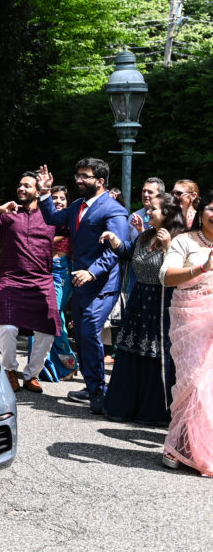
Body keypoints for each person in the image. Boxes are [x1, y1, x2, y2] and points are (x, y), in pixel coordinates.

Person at [39, 159, 130, 414]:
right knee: (80, 337)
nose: (78, 180)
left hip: (101, 285)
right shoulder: (77, 205)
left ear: (100, 181)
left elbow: (116, 251)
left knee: (90, 332)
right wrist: (45, 193)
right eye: (77, 175)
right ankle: (91, 387)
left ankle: (100, 391)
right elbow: (52, 218)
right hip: (79, 283)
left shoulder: (114, 211)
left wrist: (92, 272)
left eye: (85, 177)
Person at [0, 172, 59, 392]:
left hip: (42, 281)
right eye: (20, 185)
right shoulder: (9, 214)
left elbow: (76, 228)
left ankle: (31, 375)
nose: (21, 188)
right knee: (7, 328)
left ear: (38, 191)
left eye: (27, 186)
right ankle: (9, 370)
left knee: (47, 332)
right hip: (11, 280)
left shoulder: (51, 216)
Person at [99, 191, 185, 426]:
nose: (147, 211)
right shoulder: (145, 235)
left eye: (153, 209)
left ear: (167, 213)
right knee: (131, 351)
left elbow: (178, 274)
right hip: (139, 300)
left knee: (156, 355)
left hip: (162, 304)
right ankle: (124, 407)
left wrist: (168, 247)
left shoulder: (179, 239)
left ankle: (154, 412)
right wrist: (115, 240)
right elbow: (128, 253)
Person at [158, 188, 213, 476]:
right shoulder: (185, 241)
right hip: (189, 319)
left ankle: (192, 446)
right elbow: (166, 277)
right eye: (212, 208)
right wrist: (201, 267)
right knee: (192, 383)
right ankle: (176, 446)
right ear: (202, 211)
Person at [42, 185, 78, 381]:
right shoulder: (44, 218)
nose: (57, 201)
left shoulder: (70, 220)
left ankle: (67, 363)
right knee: (53, 318)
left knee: (52, 314)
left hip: (62, 270)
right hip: (43, 269)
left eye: (62, 198)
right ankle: (48, 367)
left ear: (67, 201)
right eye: (54, 197)